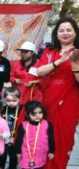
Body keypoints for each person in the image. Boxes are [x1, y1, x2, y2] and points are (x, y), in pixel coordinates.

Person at [37, 17, 79, 169]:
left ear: (75, 32)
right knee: (44, 137)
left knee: (63, 138)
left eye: (69, 30)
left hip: (69, 102)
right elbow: (40, 71)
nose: (65, 33)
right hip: (46, 100)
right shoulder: (49, 51)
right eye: (61, 30)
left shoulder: (78, 52)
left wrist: (74, 63)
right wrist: (60, 61)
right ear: (56, 33)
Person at [15, 101, 55, 169]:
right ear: (28, 114)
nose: (38, 115)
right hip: (26, 153)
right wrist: (18, 152)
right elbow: (19, 140)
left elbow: (51, 139)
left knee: (40, 167)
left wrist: (52, 151)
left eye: (40, 112)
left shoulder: (47, 124)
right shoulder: (23, 125)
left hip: (41, 153)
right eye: (34, 113)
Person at [0, 87, 24, 169]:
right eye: (8, 101)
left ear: (19, 99)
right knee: (2, 155)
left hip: (15, 139)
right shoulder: (2, 109)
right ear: (4, 99)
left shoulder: (21, 110)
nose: (11, 103)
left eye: (14, 100)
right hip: (3, 138)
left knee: (13, 157)